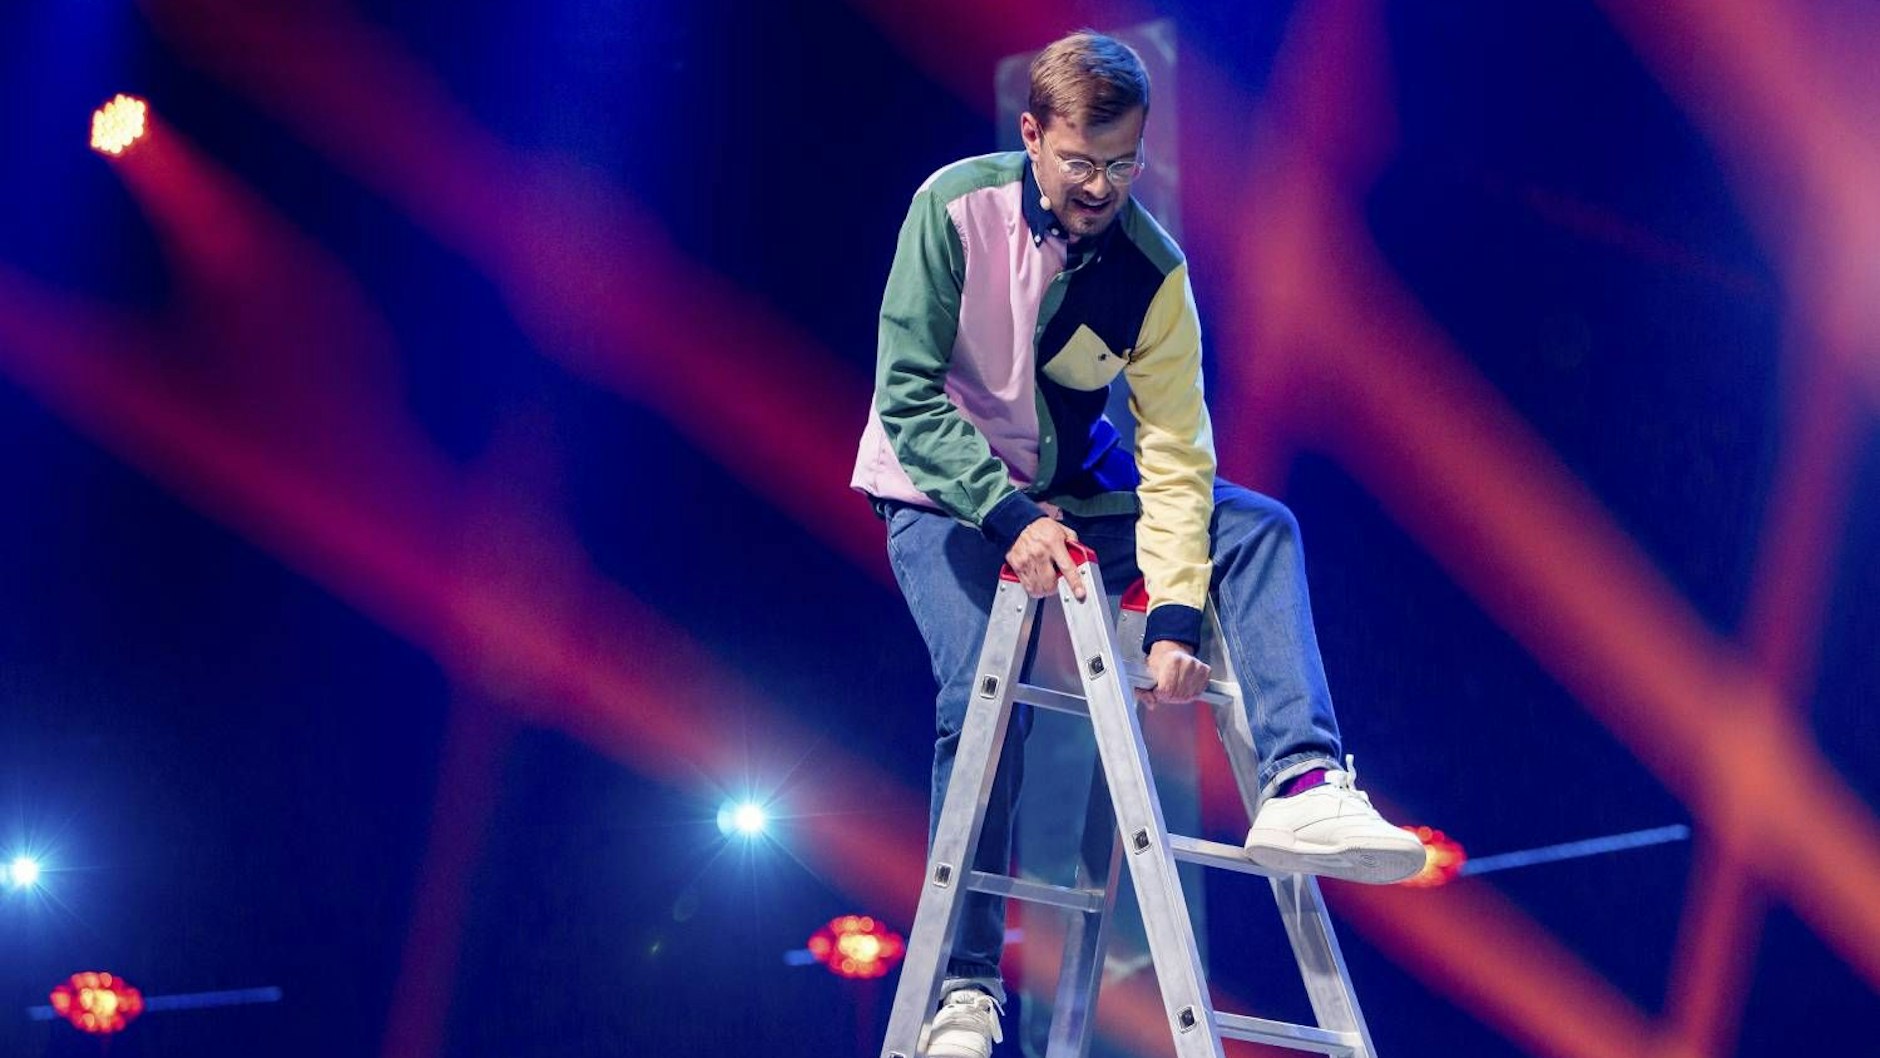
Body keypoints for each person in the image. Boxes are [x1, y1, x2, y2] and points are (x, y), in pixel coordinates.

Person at [851, 30, 1425, 1058]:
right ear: (1032, 135)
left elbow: (1173, 451)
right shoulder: (952, 209)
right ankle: (967, 992)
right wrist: (1006, 513)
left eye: (1121, 165)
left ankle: (1301, 781)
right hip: (940, 497)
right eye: (1079, 163)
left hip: (1070, 493)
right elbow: (905, 393)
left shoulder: (1151, 270)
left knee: (1253, 527)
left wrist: (1169, 607)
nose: (1101, 188)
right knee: (980, 697)